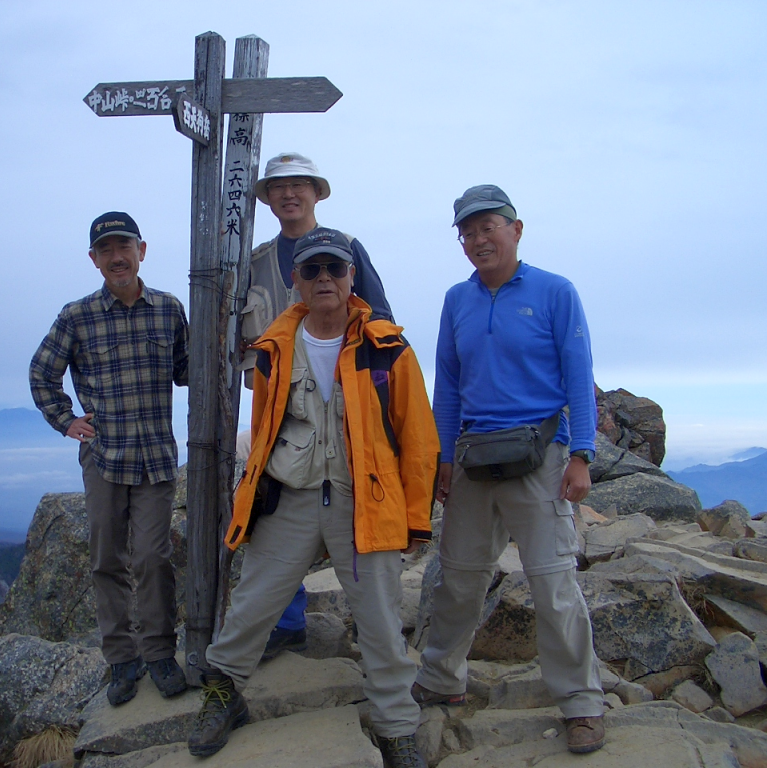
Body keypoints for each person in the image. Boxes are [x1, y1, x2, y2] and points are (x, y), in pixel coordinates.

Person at [188, 228, 440, 768]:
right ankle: (223, 691)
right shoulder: (273, 349)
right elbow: (262, 433)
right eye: (312, 270)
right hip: (292, 493)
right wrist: (250, 500)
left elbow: (418, 440)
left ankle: (396, 727)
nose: (324, 279)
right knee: (254, 602)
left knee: (378, 617)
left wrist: (414, 522)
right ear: (294, 281)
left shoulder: (388, 348)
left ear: (352, 277)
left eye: (334, 269)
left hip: (364, 502)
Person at [414, 185, 606, 754]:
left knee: (553, 583)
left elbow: (579, 373)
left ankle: (581, 703)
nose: (478, 240)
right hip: (473, 458)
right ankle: (440, 679)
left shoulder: (554, 291)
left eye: (488, 228)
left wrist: (582, 454)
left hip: (540, 456)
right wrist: (442, 461)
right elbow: (446, 385)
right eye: (468, 233)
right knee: (457, 580)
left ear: (516, 230)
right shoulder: (457, 299)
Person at [29, 212, 189, 706]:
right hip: (103, 457)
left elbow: (188, 369)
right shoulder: (77, 316)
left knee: (151, 557)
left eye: (125, 247)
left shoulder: (168, 309)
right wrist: (66, 420)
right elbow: (42, 372)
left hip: (156, 458)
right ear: (94, 260)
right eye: (106, 250)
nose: (117, 257)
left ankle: (160, 652)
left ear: (142, 250)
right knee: (105, 560)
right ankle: (122, 661)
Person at [243, 151, 394, 661]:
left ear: (316, 193)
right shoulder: (256, 260)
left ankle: (377, 637)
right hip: (275, 414)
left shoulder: (345, 249)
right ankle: (286, 623)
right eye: (279, 187)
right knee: (271, 512)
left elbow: (382, 323)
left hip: (343, 411)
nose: (289, 194)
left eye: (299, 185)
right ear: (267, 199)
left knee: (350, 515)